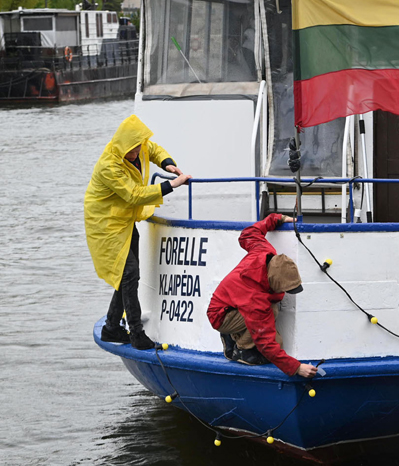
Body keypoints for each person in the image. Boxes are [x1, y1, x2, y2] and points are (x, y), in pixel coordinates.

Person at [86, 115, 191, 349]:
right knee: (130, 273)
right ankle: (136, 333)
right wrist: (171, 185)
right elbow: (133, 195)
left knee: (128, 276)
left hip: (124, 219)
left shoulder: (139, 145)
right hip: (104, 224)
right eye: (130, 151)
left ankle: (112, 327)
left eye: (136, 149)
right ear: (122, 145)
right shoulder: (109, 166)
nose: (134, 154)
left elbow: (152, 149)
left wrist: (167, 163)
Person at [207, 213, 318, 379]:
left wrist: (277, 219)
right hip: (220, 316)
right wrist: (296, 367)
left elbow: (248, 234)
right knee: (274, 335)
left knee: (271, 319)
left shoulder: (265, 252)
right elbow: (266, 343)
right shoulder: (255, 298)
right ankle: (242, 349)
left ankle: (234, 335)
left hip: (231, 305)